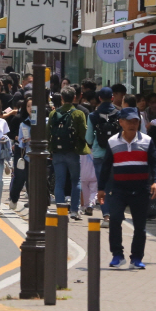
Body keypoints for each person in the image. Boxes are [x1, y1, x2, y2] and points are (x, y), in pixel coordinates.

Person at [97, 107, 156, 270]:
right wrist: (101, 188)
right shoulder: (112, 142)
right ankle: (117, 255)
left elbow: (154, 163)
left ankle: (137, 257)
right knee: (115, 219)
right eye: (129, 121)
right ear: (121, 122)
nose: (133, 124)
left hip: (141, 190)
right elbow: (105, 167)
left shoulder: (147, 140)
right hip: (119, 189)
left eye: (136, 121)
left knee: (140, 226)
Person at [48, 87, 88, 220]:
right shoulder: (78, 114)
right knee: (76, 181)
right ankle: (74, 211)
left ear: (62, 98)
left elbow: (48, 133)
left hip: (57, 152)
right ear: (75, 98)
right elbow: (84, 133)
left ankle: (60, 210)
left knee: (59, 181)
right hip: (73, 151)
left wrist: (50, 149)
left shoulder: (54, 114)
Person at [86, 87, 119, 227]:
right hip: (117, 153)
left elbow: (88, 138)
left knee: (103, 186)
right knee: (116, 186)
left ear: (99, 98)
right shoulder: (119, 113)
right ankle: (117, 214)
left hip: (99, 154)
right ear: (112, 98)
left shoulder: (93, 115)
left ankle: (106, 216)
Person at [10, 96, 31, 210]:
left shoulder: (41, 120)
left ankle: (34, 202)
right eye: (28, 106)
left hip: (34, 151)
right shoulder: (19, 119)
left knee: (32, 178)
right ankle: (13, 199)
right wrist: (18, 137)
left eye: (32, 106)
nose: (30, 108)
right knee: (20, 176)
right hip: (21, 150)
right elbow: (11, 133)